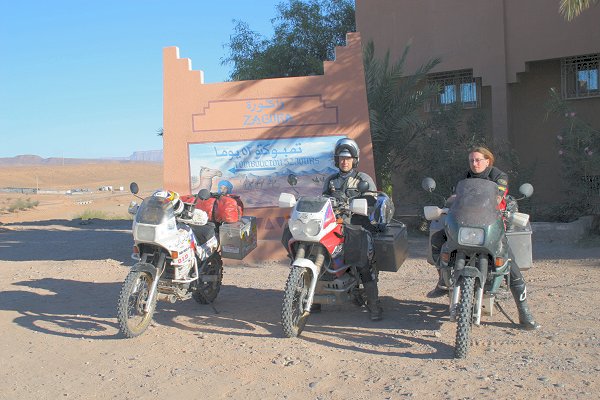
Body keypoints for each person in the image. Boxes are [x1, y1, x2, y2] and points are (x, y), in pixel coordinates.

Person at [428, 146, 540, 330]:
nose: (474, 163)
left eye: (478, 160)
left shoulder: (499, 176)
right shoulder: (465, 177)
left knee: (509, 262)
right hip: (466, 225)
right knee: (438, 240)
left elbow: (498, 197)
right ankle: (442, 278)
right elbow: (458, 198)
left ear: (488, 161)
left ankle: (524, 313)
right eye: (471, 160)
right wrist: (450, 204)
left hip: (491, 225)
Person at [320, 138, 383, 321]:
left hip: (357, 225)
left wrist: (356, 204)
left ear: (354, 160)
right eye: (341, 158)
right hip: (335, 225)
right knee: (318, 253)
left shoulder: (363, 179)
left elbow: (372, 201)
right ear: (336, 160)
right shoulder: (331, 181)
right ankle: (313, 300)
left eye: (348, 158)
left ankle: (374, 305)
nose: (344, 162)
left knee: (363, 264)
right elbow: (322, 200)